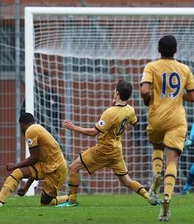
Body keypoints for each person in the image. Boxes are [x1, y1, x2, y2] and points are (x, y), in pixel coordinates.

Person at [57, 79, 152, 207]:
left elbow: (93, 132)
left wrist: (72, 127)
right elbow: (134, 123)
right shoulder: (130, 110)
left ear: (117, 93)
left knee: (74, 167)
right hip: (117, 150)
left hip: (103, 150)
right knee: (126, 180)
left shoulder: (110, 113)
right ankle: (149, 197)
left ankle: (72, 200)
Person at [140, 35, 194, 222]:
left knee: (158, 148)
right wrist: (179, 96)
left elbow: (145, 91)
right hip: (176, 120)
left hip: (157, 117)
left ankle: (157, 175)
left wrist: (148, 101)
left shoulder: (151, 67)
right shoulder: (184, 69)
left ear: (159, 49)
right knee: (172, 161)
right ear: (175, 50)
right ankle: (167, 197)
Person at [0, 112, 69, 207]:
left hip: (56, 169)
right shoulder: (37, 128)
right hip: (45, 164)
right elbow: (36, 160)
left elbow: (34, 158)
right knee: (18, 172)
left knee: (46, 202)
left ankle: (69, 198)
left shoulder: (31, 131)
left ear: (22, 124)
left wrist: (15, 165)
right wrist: (26, 186)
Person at [20, 71, 61, 137]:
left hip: (50, 132)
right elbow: (23, 111)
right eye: (45, 82)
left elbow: (58, 115)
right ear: (40, 82)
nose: (47, 84)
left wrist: (55, 130)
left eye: (48, 82)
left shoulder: (54, 96)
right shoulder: (32, 95)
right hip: (35, 130)